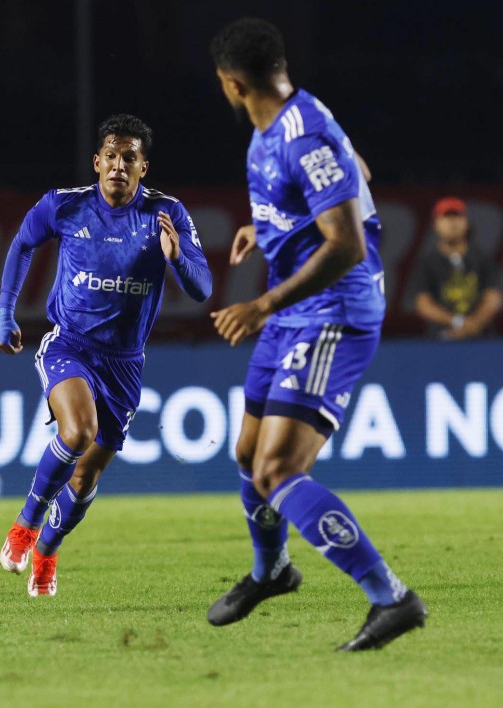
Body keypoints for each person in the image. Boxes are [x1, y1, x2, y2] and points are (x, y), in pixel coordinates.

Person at [208, 17, 427, 651]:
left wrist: (262, 302)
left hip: (332, 310)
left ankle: (392, 598)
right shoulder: (284, 122)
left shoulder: (301, 138)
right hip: (295, 311)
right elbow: (353, 167)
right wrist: (271, 229)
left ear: (232, 83)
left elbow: (348, 244)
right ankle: (271, 571)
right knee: (249, 454)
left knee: (278, 468)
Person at [0, 114, 213, 596]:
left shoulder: (166, 213)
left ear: (143, 167)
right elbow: (22, 243)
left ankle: (47, 552)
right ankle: (26, 524)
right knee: (78, 431)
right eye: (111, 156)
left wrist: (176, 257)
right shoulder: (65, 205)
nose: (118, 165)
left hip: (124, 362)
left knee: (87, 472)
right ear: (97, 162)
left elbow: (203, 288)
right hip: (69, 343)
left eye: (128, 158)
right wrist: (4, 313)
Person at [413, 196, 502, 339]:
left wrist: (474, 325)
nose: (452, 223)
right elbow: (423, 304)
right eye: (446, 218)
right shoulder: (427, 262)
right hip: (440, 339)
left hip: (482, 339)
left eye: (457, 217)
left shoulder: (482, 259)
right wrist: (457, 322)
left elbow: (494, 298)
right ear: (436, 224)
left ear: (466, 222)